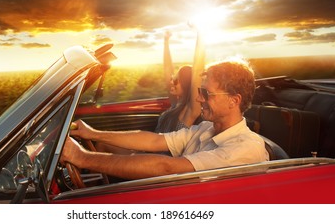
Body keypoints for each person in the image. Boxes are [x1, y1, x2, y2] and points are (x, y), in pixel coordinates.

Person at [60, 58, 269, 180]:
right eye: (199, 91)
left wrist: (82, 158)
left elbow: (167, 168)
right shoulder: (206, 128)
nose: (198, 98)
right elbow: (154, 140)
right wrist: (93, 133)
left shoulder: (246, 148)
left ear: (234, 100)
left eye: (206, 93)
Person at [155, 30, 205, 133]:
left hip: (163, 148)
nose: (171, 82)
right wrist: (166, 41)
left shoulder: (191, 110)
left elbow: (197, 70)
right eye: (173, 79)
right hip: (152, 147)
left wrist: (200, 32)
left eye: (176, 80)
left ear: (187, 84)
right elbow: (167, 69)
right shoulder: (176, 104)